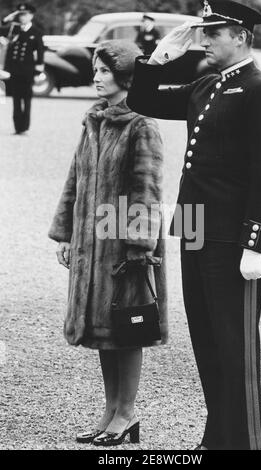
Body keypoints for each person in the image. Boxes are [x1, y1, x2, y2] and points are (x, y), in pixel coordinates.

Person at [127, 0, 261, 450]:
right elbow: (142, 99)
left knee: (235, 347)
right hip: (195, 226)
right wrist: (159, 57)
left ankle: (245, 443)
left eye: (212, 33)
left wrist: (256, 242)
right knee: (207, 340)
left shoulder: (259, 90)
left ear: (240, 36)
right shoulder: (206, 85)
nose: (204, 40)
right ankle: (218, 437)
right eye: (202, 32)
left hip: (231, 234)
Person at [48, 40, 167, 447]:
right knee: (103, 330)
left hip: (125, 251)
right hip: (90, 246)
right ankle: (110, 412)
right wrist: (65, 233)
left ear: (125, 76)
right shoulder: (93, 120)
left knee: (127, 329)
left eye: (103, 71)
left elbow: (147, 190)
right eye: (95, 70)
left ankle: (127, 414)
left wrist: (138, 249)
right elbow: (73, 180)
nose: (95, 77)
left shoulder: (141, 125)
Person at [0, 3, 44, 134]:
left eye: (24, 15)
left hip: (28, 72)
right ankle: (17, 127)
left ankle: (25, 126)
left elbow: (40, 54)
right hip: (14, 71)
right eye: (20, 15)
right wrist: (8, 18)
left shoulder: (36, 32)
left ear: (31, 15)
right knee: (16, 99)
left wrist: (38, 72)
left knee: (27, 99)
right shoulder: (13, 30)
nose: (22, 18)